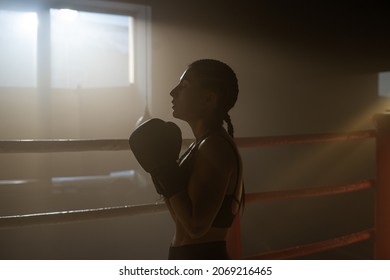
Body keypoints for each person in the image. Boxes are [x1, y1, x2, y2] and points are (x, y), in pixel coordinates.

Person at [129, 59, 244, 259]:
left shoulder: (214, 147)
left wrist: (164, 170)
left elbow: (197, 227)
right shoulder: (201, 145)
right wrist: (161, 170)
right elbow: (181, 219)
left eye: (184, 86)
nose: (173, 92)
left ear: (209, 99)